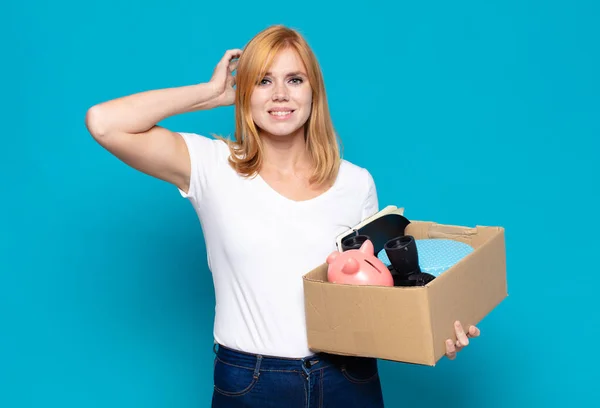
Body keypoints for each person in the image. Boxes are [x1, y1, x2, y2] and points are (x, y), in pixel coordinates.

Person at [85, 24, 481, 407]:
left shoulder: (356, 182)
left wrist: (435, 325)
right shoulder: (212, 165)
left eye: (294, 80)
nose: (279, 94)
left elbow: (374, 297)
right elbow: (104, 123)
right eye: (262, 81)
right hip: (252, 382)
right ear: (245, 92)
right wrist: (209, 94)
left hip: (348, 378)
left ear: (314, 92)